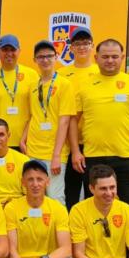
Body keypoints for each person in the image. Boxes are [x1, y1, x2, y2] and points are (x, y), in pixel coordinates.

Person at [70, 39, 129, 235]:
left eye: (115, 57)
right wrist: (75, 151)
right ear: (96, 58)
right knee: (94, 208)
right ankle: (96, 248)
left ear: (122, 58)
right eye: (105, 56)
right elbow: (73, 120)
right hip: (93, 157)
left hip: (127, 156)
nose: (110, 60)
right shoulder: (83, 85)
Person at [22, 40, 76, 205]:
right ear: (35, 60)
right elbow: (33, 115)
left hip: (54, 152)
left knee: (55, 197)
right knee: (33, 195)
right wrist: (23, 139)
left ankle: (59, 224)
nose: (45, 60)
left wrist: (56, 155)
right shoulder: (33, 85)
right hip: (33, 149)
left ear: (56, 57)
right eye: (41, 57)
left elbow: (64, 121)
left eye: (49, 56)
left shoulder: (65, 85)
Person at [57, 28, 98, 211]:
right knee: (70, 192)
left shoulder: (100, 71)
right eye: (77, 43)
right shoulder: (61, 74)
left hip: (93, 143)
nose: (82, 47)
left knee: (94, 191)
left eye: (86, 43)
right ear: (71, 48)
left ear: (92, 46)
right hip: (67, 143)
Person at [0, 34, 39, 149]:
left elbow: (37, 111)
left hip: (24, 143)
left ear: (19, 51)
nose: (9, 53)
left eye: (13, 50)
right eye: (5, 50)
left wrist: (26, 139)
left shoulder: (32, 75)